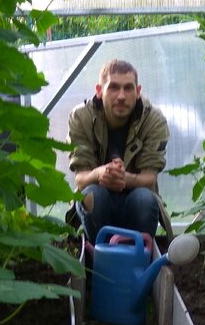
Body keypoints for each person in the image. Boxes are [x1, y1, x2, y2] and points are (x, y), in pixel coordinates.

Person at [68, 58, 172, 243]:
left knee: (145, 199)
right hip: (97, 203)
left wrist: (123, 178)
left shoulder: (154, 120)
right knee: (92, 194)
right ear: (99, 91)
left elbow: (149, 178)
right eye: (114, 87)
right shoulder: (81, 117)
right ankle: (98, 255)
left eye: (128, 88)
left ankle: (139, 255)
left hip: (136, 201)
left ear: (138, 91)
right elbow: (81, 179)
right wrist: (101, 173)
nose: (122, 96)